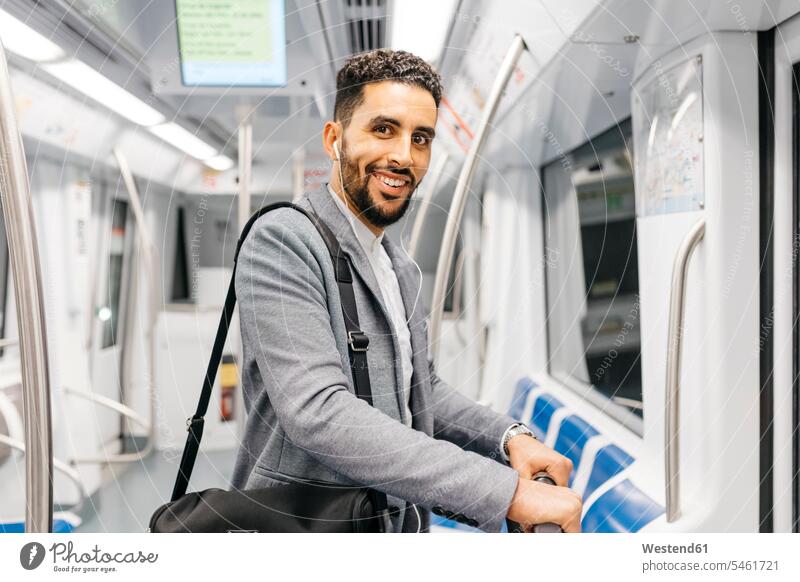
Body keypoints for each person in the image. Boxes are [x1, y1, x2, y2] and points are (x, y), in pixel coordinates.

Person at [230, 49, 582, 533]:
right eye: (383, 129)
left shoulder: (398, 266)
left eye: (421, 139)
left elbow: (422, 390)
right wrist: (507, 492)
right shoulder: (283, 241)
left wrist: (509, 437)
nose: (403, 156)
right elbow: (316, 411)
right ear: (335, 139)